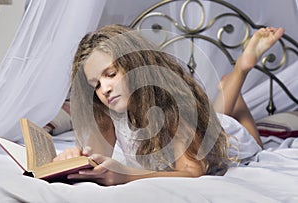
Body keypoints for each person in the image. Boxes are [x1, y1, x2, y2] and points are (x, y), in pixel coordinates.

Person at [54, 24, 284, 186]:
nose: (104, 88)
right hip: (203, 129)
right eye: (95, 84)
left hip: (228, 139)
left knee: (234, 134)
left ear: (135, 66)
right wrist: (75, 159)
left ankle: (241, 70)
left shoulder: (174, 105)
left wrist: (126, 175)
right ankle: (229, 87)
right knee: (212, 117)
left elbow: (194, 171)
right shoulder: (108, 110)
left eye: (111, 74)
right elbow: (96, 160)